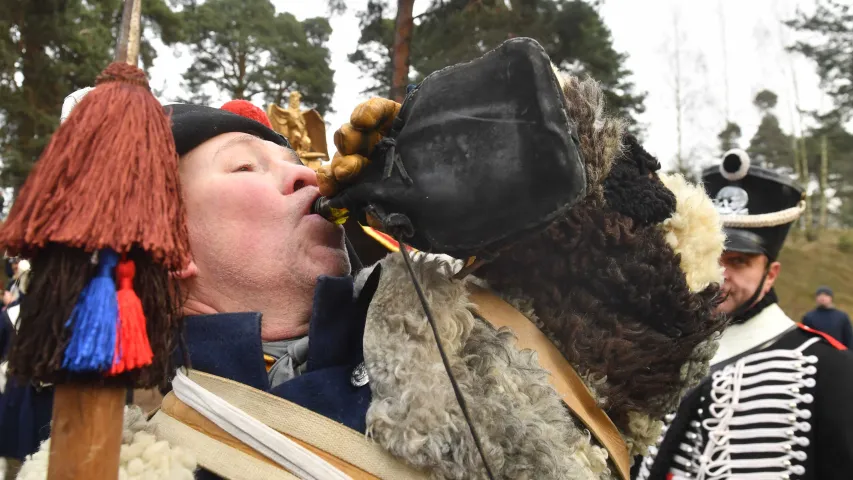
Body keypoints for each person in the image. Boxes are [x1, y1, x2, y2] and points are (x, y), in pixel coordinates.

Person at [18, 38, 726, 479]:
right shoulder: (117, 456)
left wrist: (476, 158)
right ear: (169, 252)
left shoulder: (467, 327)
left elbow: (666, 289)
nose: (307, 175)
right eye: (245, 170)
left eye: (294, 160)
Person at [638, 149, 853, 480]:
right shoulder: (665, 354)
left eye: (740, 261)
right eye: (716, 255)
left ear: (771, 274)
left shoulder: (830, 368)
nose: (720, 274)